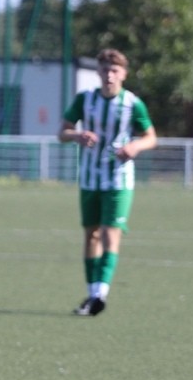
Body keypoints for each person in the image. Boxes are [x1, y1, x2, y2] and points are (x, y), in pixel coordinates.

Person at [59, 48, 157, 317]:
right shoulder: (85, 100)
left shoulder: (132, 104)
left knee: (108, 233)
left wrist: (135, 147)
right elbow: (62, 132)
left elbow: (151, 137)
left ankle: (101, 292)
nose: (109, 75)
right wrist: (77, 135)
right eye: (104, 70)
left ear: (123, 74)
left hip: (118, 179)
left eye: (114, 70)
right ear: (98, 73)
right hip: (90, 178)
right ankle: (92, 293)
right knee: (90, 234)